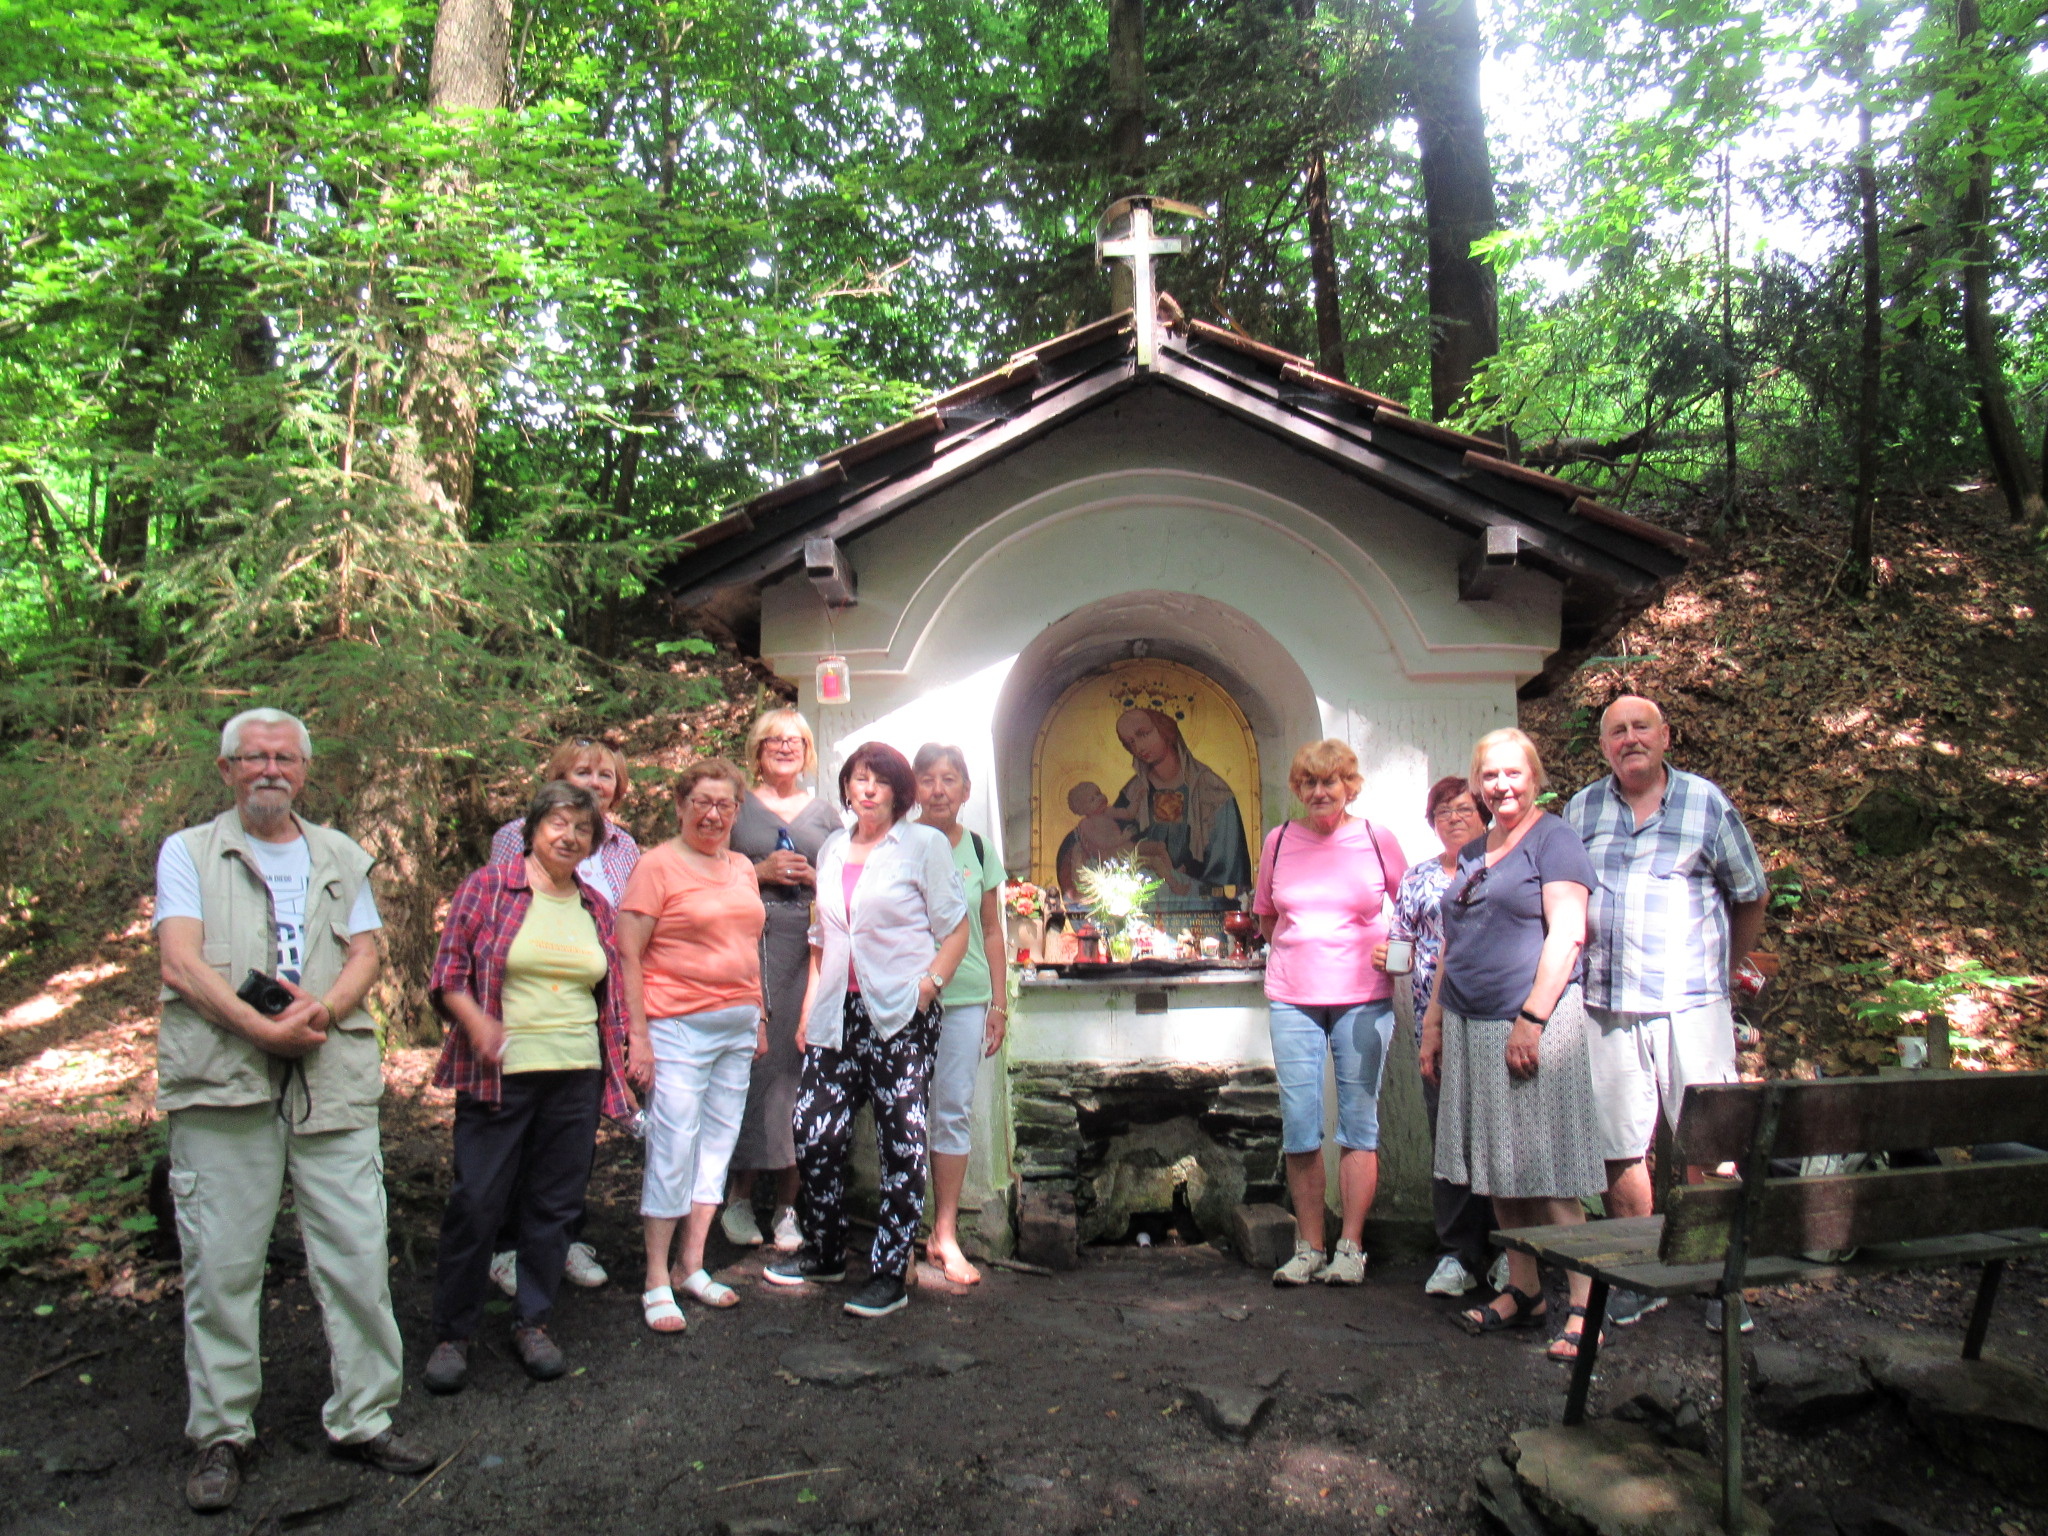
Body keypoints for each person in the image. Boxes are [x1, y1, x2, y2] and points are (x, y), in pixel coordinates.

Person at [154, 708, 432, 1511]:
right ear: (227, 770)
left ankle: (365, 1416)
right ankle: (221, 1433)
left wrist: (323, 1013)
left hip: (330, 1079)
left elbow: (366, 950)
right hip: (222, 1079)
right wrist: (259, 1029)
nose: (270, 769)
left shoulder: (340, 852)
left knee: (355, 1252)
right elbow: (179, 960)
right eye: (254, 758)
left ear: (304, 772)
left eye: (284, 758)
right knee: (222, 1265)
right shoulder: (188, 853)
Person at [424, 782, 636, 1392]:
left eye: (583, 830)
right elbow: (448, 976)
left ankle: (533, 1321)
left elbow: (610, 996)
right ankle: (452, 1334)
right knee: (477, 1202)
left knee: (555, 1204)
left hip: (575, 1074)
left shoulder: (595, 905)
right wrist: (477, 1023)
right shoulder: (488, 887)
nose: (569, 837)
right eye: (558, 824)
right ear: (534, 828)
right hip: (500, 1075)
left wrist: (619, 1061)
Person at [1565, 695, 1768, 1333]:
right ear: (1604, 747)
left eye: (1640, 728)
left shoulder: (1706, 803)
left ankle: (1715, 1279)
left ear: (1665, 737)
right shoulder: (1582, 809)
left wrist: (1726, 965)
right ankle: (1643, 1276)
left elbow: (1750, 894)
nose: (1630, 740)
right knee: (1619, 1149)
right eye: (1617, 731)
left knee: (1710, 1144)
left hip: (1693, 1003)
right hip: (1607, 1004)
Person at [1421, 728, 1608, 1363]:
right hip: (1471, 1025)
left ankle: (1584, 1306)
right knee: (1497, 1168)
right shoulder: (1477, 848)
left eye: (1513, 773)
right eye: (1490, 775)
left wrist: (1532, 1017)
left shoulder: (1555, 840)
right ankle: (1524, 1292)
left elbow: (1568, 934)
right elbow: (1455, 942)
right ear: (1477, 783)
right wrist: (1435, 1022)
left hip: (1530, 1022)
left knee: (1549, 1169)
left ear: (1534, 775)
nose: (1502, 785)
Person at [764, 741, 969, 1319]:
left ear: (899, 791)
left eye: (880, 780)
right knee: (814, 1131)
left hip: (900, 1012)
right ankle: (826, 1251)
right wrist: (809, 1009)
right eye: (859, 778)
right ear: (847, 788)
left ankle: (888, 1272)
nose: (869, 789)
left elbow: (955, 930)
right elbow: (823, 938)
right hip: (837, 1011)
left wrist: (926, 988)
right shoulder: (832, 847)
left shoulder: (922, 845)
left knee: (900, 1140)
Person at [618, 760, 768, 1332]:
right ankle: (656, 1277)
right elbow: (629, 952)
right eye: (701, 802)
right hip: (676, 1025)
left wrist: (758, 1016)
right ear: (680, 805)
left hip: (735, 1026)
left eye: (724, 805)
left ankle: (691, 1265)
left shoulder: (741, 870)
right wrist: (638, 1036)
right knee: (674, 1145)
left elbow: (750, 947)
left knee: (717, 1146)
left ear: (736, 811)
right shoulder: (656, 866)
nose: (712, 814)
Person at [485, 737, 639, 1293]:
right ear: (556, 777)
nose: (594, 782)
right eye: (582, 771)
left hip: (596, 1007)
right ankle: (505, 1246)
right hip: (526, 1007)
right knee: (518, 1135)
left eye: (605, 774)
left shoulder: (625, 848)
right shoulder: (515, 837)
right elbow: (498, 919)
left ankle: (563, 1236)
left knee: (575, 1136)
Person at [1252, 740, 1407, 1286]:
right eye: (1310, 784)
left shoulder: (1374, 838)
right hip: (1293, 998)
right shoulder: (1279, 841)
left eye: (1331, 782)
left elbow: (1409, 910)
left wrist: (1396, 950)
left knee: (1358, 1123)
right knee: (1300, 1125)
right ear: (1298, 790)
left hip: (1364, 997)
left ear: (1349, 786)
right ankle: (1309, 1246)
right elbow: (1267, 919)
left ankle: (1351, 1247)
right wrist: (1304, 955)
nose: (1320, 793)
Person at [1376, 777, 1499, 1298]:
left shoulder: (1503, 866)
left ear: (1485, 814)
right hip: (1437, 1028)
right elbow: (1402, 947)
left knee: (1499, 1139)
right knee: (1448, 1141)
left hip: (1495, 1022)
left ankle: (1509, 1252)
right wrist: (1385, 956)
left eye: (1465, 809)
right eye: (1443, 812)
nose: (1454, 818)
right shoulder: (1420, 879)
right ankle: (1457, 1252)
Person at [724, 708, 840, 1252]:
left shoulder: (826, 815)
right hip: (748, 943)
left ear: (809, 750)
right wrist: (758, 871)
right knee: (754, 1066)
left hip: (810, 951)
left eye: (796, 740)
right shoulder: (735, 804)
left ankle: (791, 1206)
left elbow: (845, 879)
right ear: (758, 748)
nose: (785, 747)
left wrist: (818, 879)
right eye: (774, 739)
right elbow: (707, 864)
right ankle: (739, 1197)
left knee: (801, 1069)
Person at [911, 743, 1009, 1286]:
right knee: (900, 1111)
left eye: (949, 779)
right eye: (927, 780)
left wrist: (998, 1002)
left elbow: (992, 930)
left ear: (966, 791)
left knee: (951, 1111)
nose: (938, 790)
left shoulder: (977, 848)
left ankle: (943, 1235)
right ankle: (900, 1233)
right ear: (914, 790)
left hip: (967, 998)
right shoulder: (899, 844)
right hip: (907, 998)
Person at [1112, 707, 1251, 902]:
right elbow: (1112, 846)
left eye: (1143, 734)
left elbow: (1227, 872)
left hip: (1201, 903)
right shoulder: (1133, 793)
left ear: (1164, 729)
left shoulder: (1211, 791)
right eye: (1130, 742)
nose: (1138, 747)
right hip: (1146, 902)